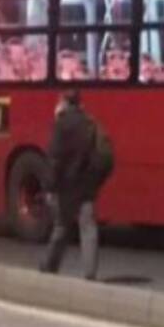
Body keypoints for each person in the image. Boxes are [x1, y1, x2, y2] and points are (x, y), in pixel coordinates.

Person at [39, 90, 114, 280]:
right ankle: (90, 273)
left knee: (61, 226)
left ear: (64, 102)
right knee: (88, 228)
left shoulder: (61, 124)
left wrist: (50, 187)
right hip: (86, 184)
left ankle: (50, 265)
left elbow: (55, 159)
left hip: (66, 185)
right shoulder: (89, 122)